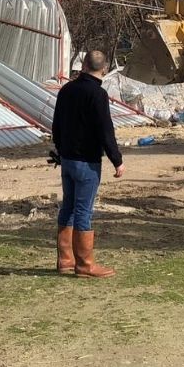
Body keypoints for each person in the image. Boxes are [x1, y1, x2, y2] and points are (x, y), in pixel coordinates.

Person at [51, 50, 124, 278]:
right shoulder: (98, 94)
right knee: (83, 211)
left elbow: (56, 125)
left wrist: (62, 150)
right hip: (88, 162)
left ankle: (65, 260)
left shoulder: (66, 89)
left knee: (68, 208)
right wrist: (117, 160)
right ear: (104, 69)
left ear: (82, 65)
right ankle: (84, 265)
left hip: (68, 159)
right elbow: (105, 130)